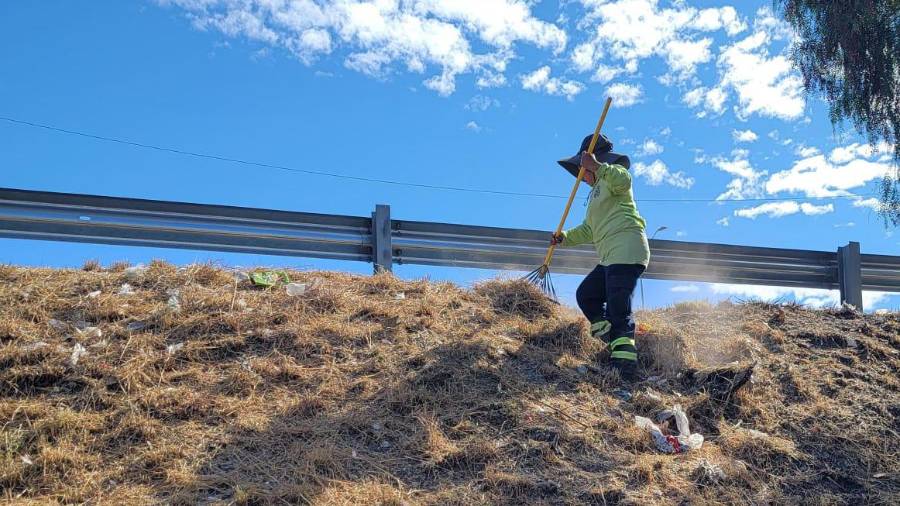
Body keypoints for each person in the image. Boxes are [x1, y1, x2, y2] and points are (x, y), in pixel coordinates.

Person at [551, 133, 650, 379]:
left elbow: (624, 181)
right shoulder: (594, 196)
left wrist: (597, 167)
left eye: (582, 170)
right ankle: (610, 334)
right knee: (586, 295)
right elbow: (588, 230)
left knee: (618, 307)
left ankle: (625, 366)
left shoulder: (614, 176)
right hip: (609, 257)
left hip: (626, 248)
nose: (581, 176)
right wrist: (564, 237)